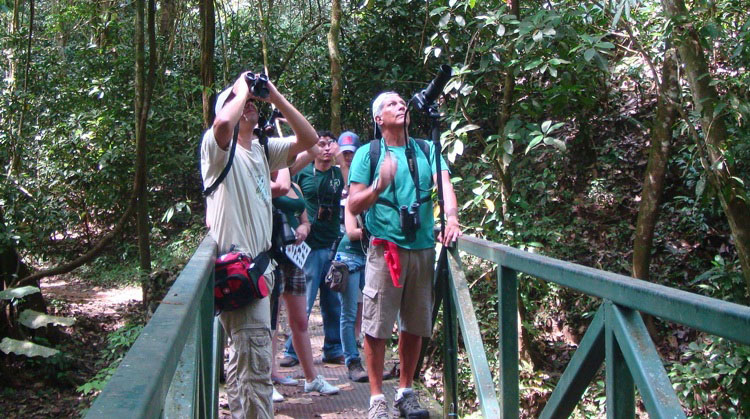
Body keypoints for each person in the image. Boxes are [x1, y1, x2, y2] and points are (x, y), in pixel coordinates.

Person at [200, 71, 318, 418]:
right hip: (238, 271)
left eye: (252, 103)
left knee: (248, 361)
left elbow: (309, 138)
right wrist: (239, 89)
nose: (248, 105)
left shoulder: (262, 150)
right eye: (242, 103)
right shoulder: (217, 150)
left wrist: (274, 97)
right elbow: (222, 124)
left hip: (259, 269)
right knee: (254, 364)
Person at [347, 92, 462, 419]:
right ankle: (376, 399)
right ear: (378, 119)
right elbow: (353, 205)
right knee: (377, 326)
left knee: (415, 325)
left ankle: (405, 391)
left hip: (423, 248)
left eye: (402, 102)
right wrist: (377, 187)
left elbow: (445, 185)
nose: (401, 106)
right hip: (386, 250)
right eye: (391, 104)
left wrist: (451, 218)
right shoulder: (368, 154)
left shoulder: (427, 149)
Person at [270, 168, 340, 396]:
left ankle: (311, 378)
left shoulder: (294, 186)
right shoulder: (263, 182)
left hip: (294, 256)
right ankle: (267, 378)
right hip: (270, 257)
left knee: (299, 319)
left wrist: (303, 227)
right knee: (270, 322)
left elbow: (305, 219)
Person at [280, 131, 346, 366]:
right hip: (307, 244)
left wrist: (341, 159)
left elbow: (351, 187)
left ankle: (333, 348)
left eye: (331, 144)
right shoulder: (305, 171)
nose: (326, 149)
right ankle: (292, 351)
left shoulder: (339, 173)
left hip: (332, 242)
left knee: (332, 299)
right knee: (304, 298)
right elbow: (285, 182)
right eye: (322, 144)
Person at [331, 131, 369, 383]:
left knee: (365, 311)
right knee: (348, 312)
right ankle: (352, 361)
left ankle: (367, 360)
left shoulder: (364, 181)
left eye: (351, 153)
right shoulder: (344, 188)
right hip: (350, 255)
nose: (348, 157)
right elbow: (353, 230)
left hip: (370, 256)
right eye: (344, 153)